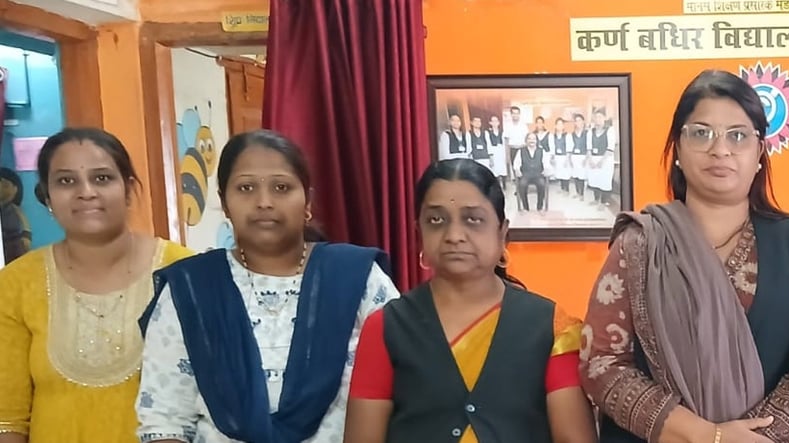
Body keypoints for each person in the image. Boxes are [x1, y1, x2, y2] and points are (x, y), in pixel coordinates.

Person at [581, 69, 789, 443]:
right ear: (677, 149)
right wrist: (704, 435)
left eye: (737, 135)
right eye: (701, 133)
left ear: (759, 153)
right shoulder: (638, 245)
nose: (720, 149)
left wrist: (761, 438)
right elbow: (602, 362)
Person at [135, 130, 402, 443]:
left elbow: (408, 389)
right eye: (246, 188)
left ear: (308, 201)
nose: (264, 202)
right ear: (224, 203)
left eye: (281, 187)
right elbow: (165, 420)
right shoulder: (191, 291)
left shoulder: (357, 278)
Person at [344, 159, 596, 443]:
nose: (454, 236)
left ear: (502, 233)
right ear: (419, 234)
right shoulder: (385, 327)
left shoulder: (553, 327)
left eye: (473, 219)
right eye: (436, 220)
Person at [0, 128, 194, 443]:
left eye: (102, 178)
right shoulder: (16, 284)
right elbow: (8, 419)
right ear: (47, 198)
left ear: (128, 189)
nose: (86, 192)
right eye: (66, 181)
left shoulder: (185, 272)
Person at [0, 167, 30, 263]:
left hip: (15, 245)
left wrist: (26, 235)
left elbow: (24, 222)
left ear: (15, 189)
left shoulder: (15, 209)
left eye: (5, 185)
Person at [514, 133, 549, 213]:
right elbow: (516, 163)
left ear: (536, 141)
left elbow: (546, 163)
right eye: (529, 139)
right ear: (526, 141)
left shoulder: (541, 151)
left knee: (541, 184)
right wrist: (517, 170)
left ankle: (539, 207)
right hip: (525, 174)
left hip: (538, 174)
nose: (531, 141)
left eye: (533, 139)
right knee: (522, 185)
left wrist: (546, 169)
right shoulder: (521, 151)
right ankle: (525, 208)